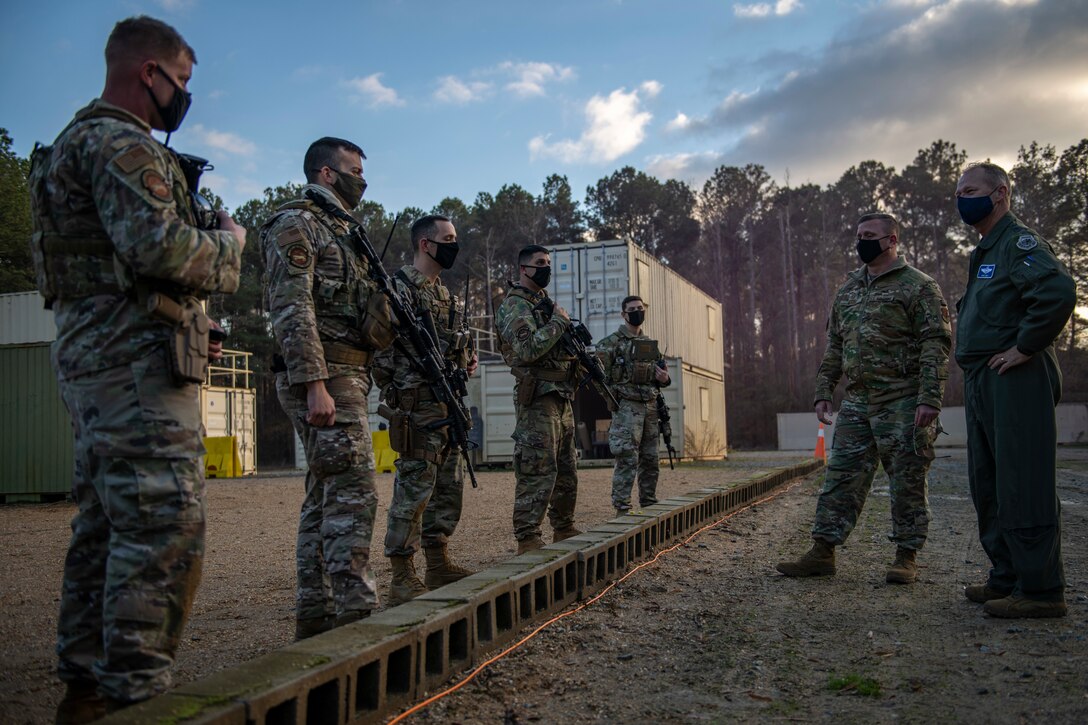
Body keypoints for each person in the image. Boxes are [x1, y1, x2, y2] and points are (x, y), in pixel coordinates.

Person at [26, 16, 247, 721]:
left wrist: (192, 322)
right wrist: (230, 244)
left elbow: (119, 267)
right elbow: (161, 249)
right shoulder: (121, 143)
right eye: (181, 81)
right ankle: (135, 694)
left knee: (106, 523)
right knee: (161, 523)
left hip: (104, 359)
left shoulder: (73, 142)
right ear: (147, 72)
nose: (184, 96)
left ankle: (88, 687)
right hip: (129, 368)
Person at [260, 136, 394, 639]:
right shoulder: (297, 224)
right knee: (355, 492)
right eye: (354, 169)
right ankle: (356, 614)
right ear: (325, 173)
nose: (363, 178)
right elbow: (292, 309)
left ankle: (316, 616)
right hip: (326, 379)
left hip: (347, 374)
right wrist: (315, 384)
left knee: (324, 493)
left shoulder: (345, 232)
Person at [777, 213, 951, 584]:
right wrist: (824, 390)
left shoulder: (918, 286)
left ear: (891, 240)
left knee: (906, 479)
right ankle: (823, 551)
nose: (861, 242)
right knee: (840, 477)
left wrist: (930, 398)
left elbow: (935, 344)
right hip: (857, 402)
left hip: (902, 400)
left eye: (869, 235)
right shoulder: (849, 290)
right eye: (858, 235)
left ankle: (906, 556)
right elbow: (835, 345)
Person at [954, 162, 1076, 618]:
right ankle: (1006, 577)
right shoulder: (987, 250)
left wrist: (1026, 345)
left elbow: (1058, 290)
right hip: (985, 379)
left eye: (971, 190)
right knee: (989, 483)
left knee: (1023, 481)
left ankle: (1041, 591)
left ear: (1000, 193)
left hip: (1016, 378)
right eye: (959, 192)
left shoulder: (1018, 242)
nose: (962, 199)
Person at [372, 214, 478, 604]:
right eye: (447, 238)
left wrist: (467, 360)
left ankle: (437, 562)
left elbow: (453, 344)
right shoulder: (396, 289)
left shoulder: (443, 294)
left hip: (446, 403)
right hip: (418, 407)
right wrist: (401, 389)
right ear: (425, 244)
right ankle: (402, 574)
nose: (454, 245)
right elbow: (379, 351)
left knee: (448, 488)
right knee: (414, 490)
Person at [496, 245, 582, 554]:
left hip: (560, 395)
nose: (546, 268)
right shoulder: (514, 306)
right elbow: (529, 349)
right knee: (537, 467)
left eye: (548, 262)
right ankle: (528, 537)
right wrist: (559, 322)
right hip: (537, 397)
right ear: (523, 269)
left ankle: (563, 526)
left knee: (566, 466)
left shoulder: (543, 304)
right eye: (539, 263)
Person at [596, 295, 670, 516]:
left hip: (650, 407)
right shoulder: (609, 344)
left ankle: (649, 503)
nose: (637, 312)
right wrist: (614, 399)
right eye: (632, 309)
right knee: (627, 457)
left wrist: (665, 379)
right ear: (623, 314)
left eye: (640, 308)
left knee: (650, 459)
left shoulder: (650, 345)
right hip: (627, 408)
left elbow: (660, 377)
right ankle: (622, 508)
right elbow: (600, 378)